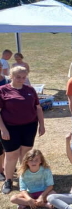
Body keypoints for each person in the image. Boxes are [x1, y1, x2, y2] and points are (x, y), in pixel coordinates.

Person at [1, 66, 45, 195]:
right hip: (10, 127)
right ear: (11, 76)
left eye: (23, 77)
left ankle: (24, 178)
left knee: (25, 154)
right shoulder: (3, 90)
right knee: (11, 154)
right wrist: (3, 129)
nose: (21, 79)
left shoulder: (30, 90)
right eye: (18, 77)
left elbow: (38, 108)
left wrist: (42, 125)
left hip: (29, 126)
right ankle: (8, 180)